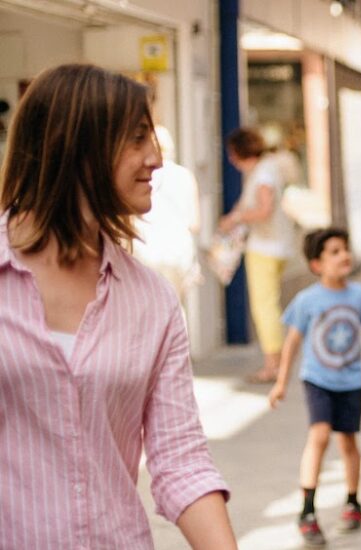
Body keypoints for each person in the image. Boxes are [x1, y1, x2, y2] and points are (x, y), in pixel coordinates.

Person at [0, 63, 236, 549]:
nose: (154, 159)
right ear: (76, 145)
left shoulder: (152, 300)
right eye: (135, 140)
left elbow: (180, 460)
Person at [268, 227, 361, 547]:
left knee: (348, 443)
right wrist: (281, 383)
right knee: (320, 435)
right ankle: (307, 510)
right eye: (335, 252)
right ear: (317, 264)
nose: (345, 256)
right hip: (318, 379)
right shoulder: (307, 300)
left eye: (345, 249)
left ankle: (353, 502)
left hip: (351, 381)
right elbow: (292, 343)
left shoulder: (359, 296)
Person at [219, 126, 298, 384]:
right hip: (276, 245)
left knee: (264, 307)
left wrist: (236, 217)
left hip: (266, 247)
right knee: (269, 305)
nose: (231, 160)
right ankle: (276, 362)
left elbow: (264, 210)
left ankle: (273, 365)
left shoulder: (263, 173)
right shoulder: (269, 168)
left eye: (233, 154)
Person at [134, 126, 202, 306]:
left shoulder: (142, 176)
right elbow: (195, 224)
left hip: (148, 249)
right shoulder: (185, 176)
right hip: (180, 252)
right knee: (175, 310)